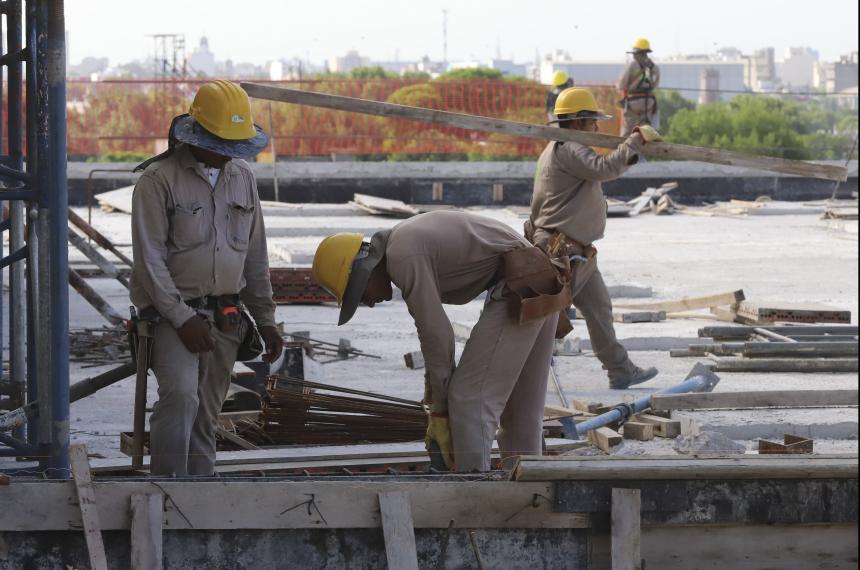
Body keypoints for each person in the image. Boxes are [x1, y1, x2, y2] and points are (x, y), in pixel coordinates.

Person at [312, 211, 563, 472]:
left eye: (360, 296)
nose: (369, 303)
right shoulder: (404, 241)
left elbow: (436, 334)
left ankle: (472, 492)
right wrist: (433, 399)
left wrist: (441, 411)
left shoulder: (402, 256)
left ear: (363, 272)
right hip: (541, 278)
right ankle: (531, 490)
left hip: (520, 284)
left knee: (469, 397)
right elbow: (435, 343)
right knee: (520, 411)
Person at [130, 80, 284, 476]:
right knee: (181, 398)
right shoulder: (158, 181)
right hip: (171, 315)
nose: (226, 155)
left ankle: (199, 492)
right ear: (196, 133)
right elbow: (150, 262)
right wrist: (182, 319)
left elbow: (254, 256)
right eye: (220, 144)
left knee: (207, 412)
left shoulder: (242, 178)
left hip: (227, 316)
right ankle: (166, 492)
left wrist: (265, 320)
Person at [527, 86, 662, 389]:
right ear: (577, 122)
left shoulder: (556, 148)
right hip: (564, 252)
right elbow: (605, 168)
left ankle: (620, 370)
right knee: (545, 319)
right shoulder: (570, 148)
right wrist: (634, 142)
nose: (596, 129)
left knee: (599, 310)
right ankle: (518, 373)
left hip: (576, 252)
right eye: (592, 123)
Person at [617, 38, 660, 136]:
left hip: (633, 104)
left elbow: (621, 85)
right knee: (645, 133)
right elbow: (655, 85)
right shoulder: (654, 66)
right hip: (649, 103)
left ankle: (623, 150)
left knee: (627, 133)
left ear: (637, 53)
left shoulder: (632, 65)